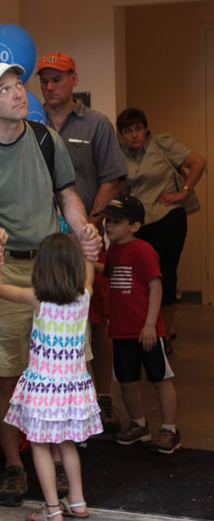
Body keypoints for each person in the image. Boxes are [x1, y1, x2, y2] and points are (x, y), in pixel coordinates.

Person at [0, 62, 101, 507]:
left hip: (54, 264)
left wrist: (84, 230)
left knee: (65, 364)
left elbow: (67, 194)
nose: (18, 94)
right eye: (4, 89)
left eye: (18, 86)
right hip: (2, 269)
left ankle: (60, 456)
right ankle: (14, 463)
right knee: (7, 371)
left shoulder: (47, 139)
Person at [38, 52, 128, 433]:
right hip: (43, 241)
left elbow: (113, 177)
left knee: (95, 319)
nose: (49, 85)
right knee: (46, 317)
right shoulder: (29, 122)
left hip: (86, 236)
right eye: (44, 79)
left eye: (57, 78)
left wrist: (90, 221)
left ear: (74, 79)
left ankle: (103, 397)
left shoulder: (97, 123)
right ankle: (54, 397)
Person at [0, 227, 100, 521]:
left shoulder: (38, 298)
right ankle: (78, 502)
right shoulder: (84, 297)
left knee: (40, 446)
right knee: (67, 445)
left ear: (42, 267)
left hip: (44, 390)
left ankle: (52, 509)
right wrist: (88, 247)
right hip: (73, 389)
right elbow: (88, 274)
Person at [116, 108, 207, 351]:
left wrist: (183, 192)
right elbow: (122, 188)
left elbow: (198, 162)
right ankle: (152, 326)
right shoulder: (120, 154)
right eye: (128, 131)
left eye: (138, 129)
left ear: (146, 129)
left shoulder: (162, 144)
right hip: (140, 223)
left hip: (168, 218)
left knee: (164, 274)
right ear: (122, 135)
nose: (134, 135)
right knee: (142, 277)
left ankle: (163, 333)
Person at [96, 195, 181, 454]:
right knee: (127, 382)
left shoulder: (144, 251)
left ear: (134, 226)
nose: (109, 226)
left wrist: (150, 325)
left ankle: (169, 429)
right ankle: (139, 425)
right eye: (108, 221)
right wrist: (86, 264)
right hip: (121, 330)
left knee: (159, 378)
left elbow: (156, 287)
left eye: (117, 221)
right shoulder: (113, 250)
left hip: (146, 332)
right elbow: (109, 272)